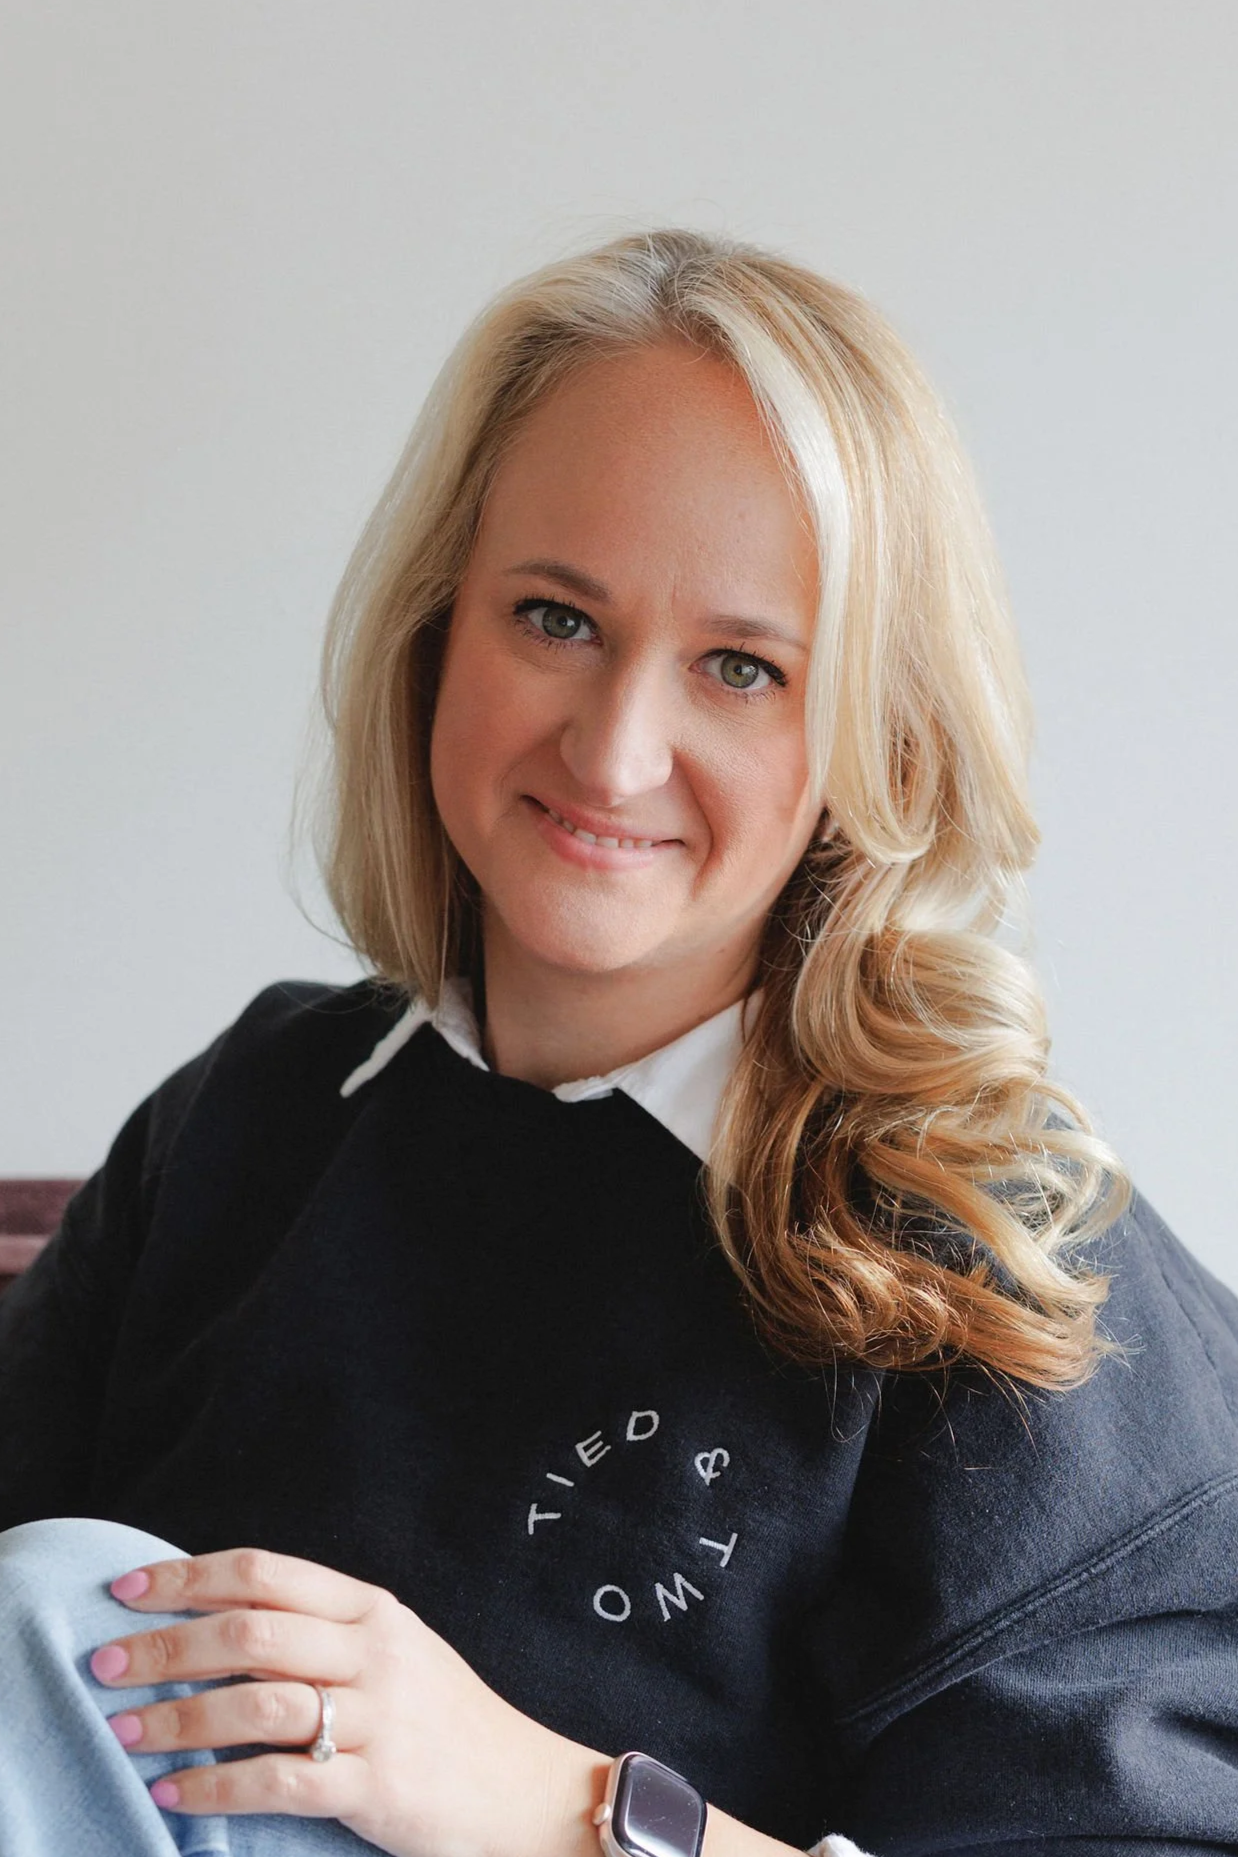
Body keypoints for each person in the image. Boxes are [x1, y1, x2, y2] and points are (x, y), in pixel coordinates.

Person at [1, 227, 1235, 1857]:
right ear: (439, 625)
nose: (616, 747)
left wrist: (552, 1802)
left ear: (874, 730)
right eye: (555, 619)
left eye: (740, 668)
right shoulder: (257, 1112)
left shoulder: (1011, 1270)